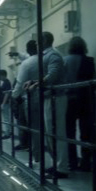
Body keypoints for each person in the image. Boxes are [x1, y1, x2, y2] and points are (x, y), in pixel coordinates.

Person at [27, 32, 68, 178]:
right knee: (51, 134)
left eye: (38, 42)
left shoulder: (53, 55)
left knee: (57, 133)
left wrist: (36, 84)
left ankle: (62, 168)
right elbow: (48, 75)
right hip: (50, 98)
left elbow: (53, 75)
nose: (36, 44)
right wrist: (33, 82)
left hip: (55, 98)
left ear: (44, 41)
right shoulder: (47, 56)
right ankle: (57, 164)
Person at [63, 36, 96, 171]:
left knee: (69, 132)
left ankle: (72, 161)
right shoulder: (89, 61)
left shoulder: (65, 61)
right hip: (86, 99)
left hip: (69, 99)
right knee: (86, 132)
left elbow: (63, 79)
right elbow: (92, 81)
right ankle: (86, 162)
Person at [11, 40, 39, 151]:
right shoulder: (43, 59)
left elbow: (20, 83)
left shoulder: (27, 63)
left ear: (28, 50)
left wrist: (14, 95)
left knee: (30, 125)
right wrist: (17, 54)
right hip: (45, 97)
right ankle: (32, 146)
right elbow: (25, 56)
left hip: (30, 98)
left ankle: (33, 150)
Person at [0, 69, 13, 139]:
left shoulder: (7, 82)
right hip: (4, 102)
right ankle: (8, 132)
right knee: (6, 118)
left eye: (0, 76)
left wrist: (3, 103)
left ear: (3, 75)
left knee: (6, 118)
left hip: (5, 103)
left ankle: (7, 133)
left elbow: (7, 94)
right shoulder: (4, 82)